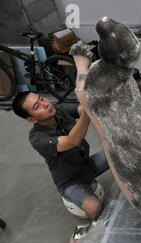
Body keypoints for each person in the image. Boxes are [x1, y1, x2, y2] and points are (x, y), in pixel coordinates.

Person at [12, 58, 109, 219]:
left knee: (119, 152)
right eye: (37, 107)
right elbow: (72, 141)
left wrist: (90, 99)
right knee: (94, 207)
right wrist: (86, 105)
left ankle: (90, 182)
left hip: (86, 165)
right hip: (71, 181)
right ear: (31, 119)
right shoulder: (37, 139)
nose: (45, 104)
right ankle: (89, 222)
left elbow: (79, 109)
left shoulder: (56, 109)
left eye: (41, 98)